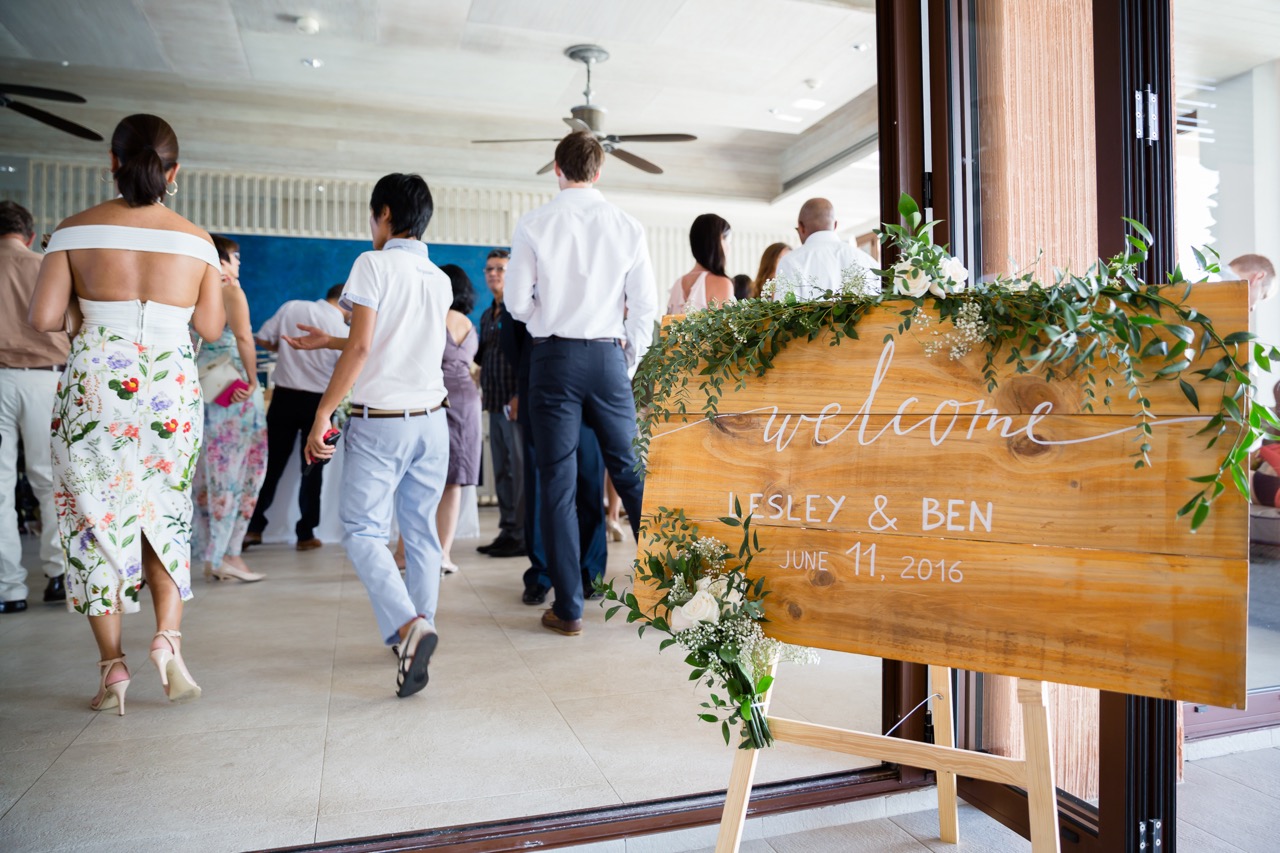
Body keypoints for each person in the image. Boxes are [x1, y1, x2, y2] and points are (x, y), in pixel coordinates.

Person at [29, 113, 225, 714]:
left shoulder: (71, 232)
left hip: (95, 385)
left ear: (112, 163)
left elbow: (42, 318)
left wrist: (88, 325)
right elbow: (210, 327)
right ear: (174, 171)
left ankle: (113, 670)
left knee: (93, 521)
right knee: (164, 512)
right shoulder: (197, 242)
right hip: (170, 388)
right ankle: (167, 642)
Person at [292, 173, 451, 698]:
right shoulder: (437, 276)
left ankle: (408, 628)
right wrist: (330, 341)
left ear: (384, 214)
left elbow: (364, 350)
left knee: (361, 531)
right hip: (432, 423)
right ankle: (419, 627)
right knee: (421, 534)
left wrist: (323, 413)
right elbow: (386, 343)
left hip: (383, 425)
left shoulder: (372, 263)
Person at [505, 130, 658, 636]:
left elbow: (516, 305)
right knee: (632, 477)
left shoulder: (534, 223)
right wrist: (625, 362)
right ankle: (668, 596)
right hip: (609, 359)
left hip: (553, 360)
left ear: (557, 168)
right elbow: (645, 308)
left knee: (558, 483)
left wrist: (543, 315)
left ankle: (568, 609)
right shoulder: (628, 225)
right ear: (599, 172)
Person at [499, 302, 607, 606]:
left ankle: (591, 572)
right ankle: (541, 574)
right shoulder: (530, 270)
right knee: (538, 484)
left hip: (591, 389)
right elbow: (512, 339)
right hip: (539, 385)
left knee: (590, 479)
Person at [243, 283, 350, 551]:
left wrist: (287, 353)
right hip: (320, 404)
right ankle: (306, 534)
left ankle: (253, 528)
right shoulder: (343, 328)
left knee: (272, 465)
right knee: (312, 468)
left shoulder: (292, 307)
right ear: (345, 302)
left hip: (284, 397)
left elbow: (264, 338)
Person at [0, 201, 68, 614]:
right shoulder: (46, 265)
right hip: (46, 379)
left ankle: (9, 589)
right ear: (28, 233)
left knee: (0, 487)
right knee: (49, 482)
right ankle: (58, 575)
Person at [190, 236, 268, 583]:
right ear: (223, 259)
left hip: (204, 391)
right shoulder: (230, 291)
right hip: (234, 390)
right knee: (245, 471)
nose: (239, 264)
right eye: (236, 257)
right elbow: (244, 339)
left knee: (209, 474)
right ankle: (229, 555)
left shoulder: (190, 288)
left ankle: (212, 554)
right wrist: (253, 381)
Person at [474, 248, 526, 559]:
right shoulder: (486, 314)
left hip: (514, 402)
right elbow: (482, 356)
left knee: (518, 472)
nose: (494, 274)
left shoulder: (518, 311)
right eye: (490, 269)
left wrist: (520, 394)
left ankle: (521, 534)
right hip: (492, 402)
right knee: (502, 470)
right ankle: (507, 530)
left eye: (500, 269)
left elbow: (525, 358)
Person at [437, 263, 482, 574]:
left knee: (427, 478)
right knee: (455, 480)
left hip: (436, 397)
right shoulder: (469, 323)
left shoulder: (433, 317)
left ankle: (412, 552)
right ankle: (443, 553)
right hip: (467, 400)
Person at [772, 198, 878, 300]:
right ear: (835, 225)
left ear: (801, 227)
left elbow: (785, 313)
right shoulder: (869, 262)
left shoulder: (790, 262)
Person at [667, 213, 735, 314]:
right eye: (728, 241)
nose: (729, 248)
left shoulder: (677, 284)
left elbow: (666, 327)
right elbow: (724, 328)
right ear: (717, 241)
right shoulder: (722, 283)